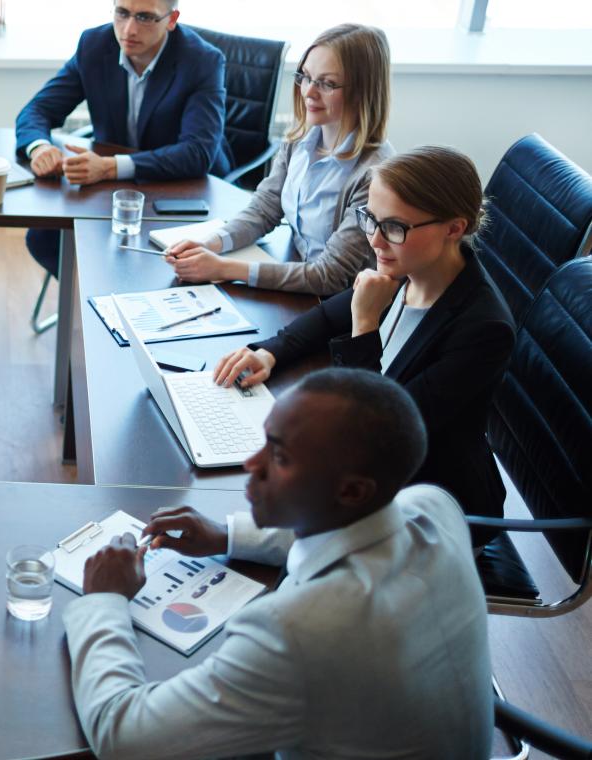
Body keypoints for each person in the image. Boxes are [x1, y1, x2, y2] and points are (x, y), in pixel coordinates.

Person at [66, 368, 492, 758]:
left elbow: (121, 737)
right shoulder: (434, 506)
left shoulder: (298, 632)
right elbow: (349, 528)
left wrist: (105, 600)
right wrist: (228, 534)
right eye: (265, 439)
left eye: (281, 457)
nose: (253, 464)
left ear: (353, 492)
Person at [212, 146, 516, 541]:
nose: (375, 240)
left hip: (431, 509)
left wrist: (365, 323)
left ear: (453, 229)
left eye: (393, 227)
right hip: (373, 477)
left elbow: (373, 434)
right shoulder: (411, 264)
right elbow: (326, 317)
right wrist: (269, 351)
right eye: (370, 219)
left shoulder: (483, 330)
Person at [165, 23, 395, 295]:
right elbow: (264, 209)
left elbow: (331, 275)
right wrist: (211, 243)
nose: (308, 92)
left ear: (362, 90)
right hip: (294, 275)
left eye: (327, 83)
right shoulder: (300, 138)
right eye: (306, 77)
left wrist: (223, 268)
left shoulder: (373, 174)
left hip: (340, 302)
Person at [14, 0, 232, 278]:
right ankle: (89, 307)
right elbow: (37, 110)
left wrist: (108, 166)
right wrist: (40, 147)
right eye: (122, 13)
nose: (129, 29)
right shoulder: (94, 44)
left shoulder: (202, 60)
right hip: (112, 189)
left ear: (172, 19)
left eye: (144, 17)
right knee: (43, 239)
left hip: (184, 190)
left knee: (156, 266)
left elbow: (197, 153)